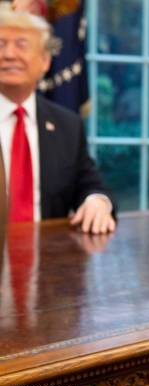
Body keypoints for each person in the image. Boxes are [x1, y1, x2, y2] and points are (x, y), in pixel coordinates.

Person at [0, 5, 115, 233]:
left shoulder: (67, 125)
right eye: (0, 45)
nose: (9, 54)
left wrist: (97, 201)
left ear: (45, 61)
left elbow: (90, 185)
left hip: (48, 257)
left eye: (21, 45)